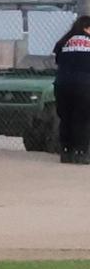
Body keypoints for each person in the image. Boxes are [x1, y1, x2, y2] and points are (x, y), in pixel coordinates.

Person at [52, 12, 90, 165]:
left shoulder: (64, 41)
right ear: (87, 28)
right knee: (83, 119)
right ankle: (81, 152)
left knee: (66, 118)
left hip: (62, 84)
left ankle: (66, 151)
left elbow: (58, 60)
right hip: (84, 85)